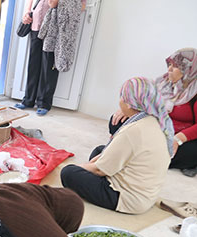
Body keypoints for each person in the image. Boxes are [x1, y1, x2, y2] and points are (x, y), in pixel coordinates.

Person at [60, 77, 173, 214]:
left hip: (128, 199)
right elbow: (108, 152)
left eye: (122, 98)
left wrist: (79, 168)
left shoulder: (133, 130)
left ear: (130, 104)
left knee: (68, 172)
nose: (119, 102)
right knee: (100, 150)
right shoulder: (157, 120)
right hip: (147, 195)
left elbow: (99, 171)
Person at [110, 48, 197, 177]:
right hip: (157, 128)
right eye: (170, 65)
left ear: (188, 70)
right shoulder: (163, 83)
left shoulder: (194, 93)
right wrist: (126, 109)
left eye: (176, 67)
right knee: (116, 121)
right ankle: (150, 155)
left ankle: (139, 154)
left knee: (192, 151)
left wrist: (178, 139)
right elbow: (143, 101)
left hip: (181, 135)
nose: (169, 69)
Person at [14, 0, 59, 116]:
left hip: (54, 28)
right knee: (33, 65)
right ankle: (28, 100)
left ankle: (44, 103)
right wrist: (27, 12)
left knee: (48, 67)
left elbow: (81, 5)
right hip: (36, 23)